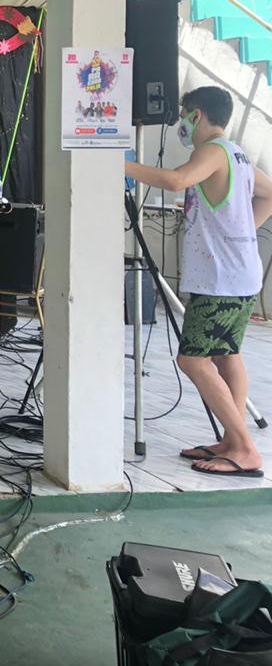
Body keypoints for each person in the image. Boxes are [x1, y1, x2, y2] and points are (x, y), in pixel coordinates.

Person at [126, 86, 272, 478]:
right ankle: (232, 439)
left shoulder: (213, 151)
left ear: (198, 115)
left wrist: (120, 166)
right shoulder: (236, 153)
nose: (181, 121)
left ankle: (244, 447)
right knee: (226, 354)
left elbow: (176, 180)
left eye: (184, 113)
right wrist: (239, 229)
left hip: (221, 279)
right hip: (239, 274)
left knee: (192, 359)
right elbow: (270, 194)